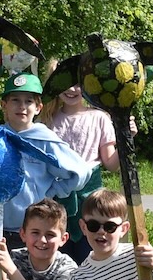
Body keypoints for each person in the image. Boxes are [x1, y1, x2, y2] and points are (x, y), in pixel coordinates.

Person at [0, 73, 95, 280]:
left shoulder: (44, 140)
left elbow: (80, 172)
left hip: (33, 239)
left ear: (38, 107)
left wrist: (50, 193)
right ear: (3, 104)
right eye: (15, 100)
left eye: (28, 101)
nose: (22, 106)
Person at [43, 82, 119, 263]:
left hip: (90, 200)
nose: (71, 89)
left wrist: (126, 139)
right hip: (57, 198)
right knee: (59, 255)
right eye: (66, 84)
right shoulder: (47, 119)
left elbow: (111, 164)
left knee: (90, 254)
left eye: (78, 84)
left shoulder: (99, 117)